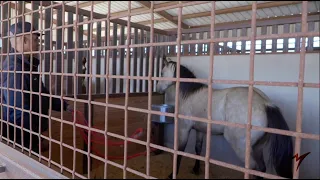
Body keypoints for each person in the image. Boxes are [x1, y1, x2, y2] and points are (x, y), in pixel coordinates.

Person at [0, 21, 73, 153]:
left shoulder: (28, 66)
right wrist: (36, 137)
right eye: (35, 39)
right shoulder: (15, 70)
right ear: (23, 40)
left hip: (26, 136)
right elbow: (19, 112)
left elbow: (41, 94)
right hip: (20, 139)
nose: (38, 43)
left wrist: (64, 105)